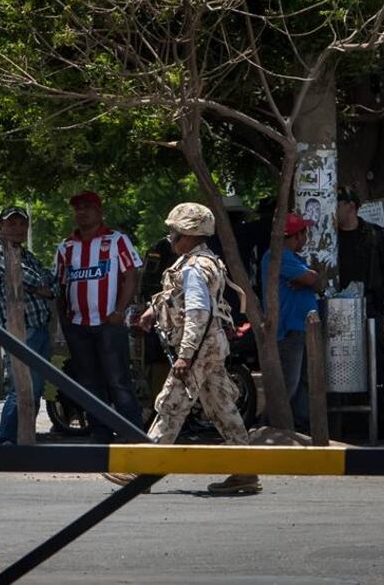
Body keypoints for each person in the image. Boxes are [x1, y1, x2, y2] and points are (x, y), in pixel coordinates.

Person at [104, 203, 260, 494]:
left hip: (199, 347)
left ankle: (143, 471)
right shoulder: (200, 261)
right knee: (222, 407)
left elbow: (198, 314)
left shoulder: (194, 268)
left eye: (174, 232)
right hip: (210, 345)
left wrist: (186, 356)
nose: (170, 237)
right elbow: (179, 298)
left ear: (188, 235)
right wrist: (153, 311)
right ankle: (245, 470)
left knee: (170, 406)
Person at [54, 191, 143, 443]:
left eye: (88, 207)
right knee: (89, 383)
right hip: (78, 326)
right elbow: (60, 285)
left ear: (99, 211)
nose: (82, 212)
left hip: (109, 324)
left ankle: (132, 434)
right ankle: (100, 432)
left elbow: (131, 276)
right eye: (78, 208)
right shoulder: (66, 247)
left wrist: (119, 310)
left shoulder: (117, 241)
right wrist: (65, 322)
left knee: (118, 381)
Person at [336, 186, 384, 437]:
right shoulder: (329, 238)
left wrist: (375, 293)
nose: (334, 208)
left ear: (351, 206)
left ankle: (381, 418)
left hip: (372, 310)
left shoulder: (375, 236)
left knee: (377, 364)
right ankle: (344, 423)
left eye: (338, 202)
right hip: (339, 313)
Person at [0, 206, 56, 444]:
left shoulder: (27, 255)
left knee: (34, 390)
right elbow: (28, 277)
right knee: (22, 387)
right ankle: (5, 439)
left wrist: (42, 287)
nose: (17, 228)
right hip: (20, 330)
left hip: (39, 327)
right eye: (11, 224)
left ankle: (24, 437)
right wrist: (39, 287)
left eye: (22, 224)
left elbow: (52, 281)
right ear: (1, 227)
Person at [261, 212, 318, 431]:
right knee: (288, 385)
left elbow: (315, 280)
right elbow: (312, 278)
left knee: (302, 383)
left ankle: (299, 428)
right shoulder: (278, 256)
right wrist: (308, 279)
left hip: (300, 328)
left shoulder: (293, 258)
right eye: (304, 232)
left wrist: (309, 279)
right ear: (297, 235)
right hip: (288, 330)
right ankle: (269, 427)